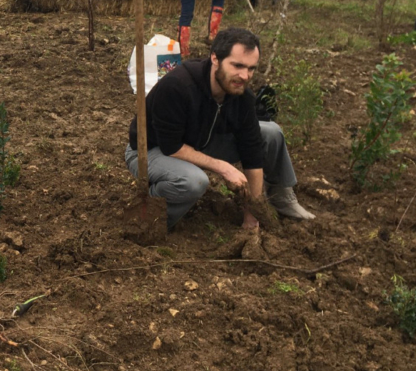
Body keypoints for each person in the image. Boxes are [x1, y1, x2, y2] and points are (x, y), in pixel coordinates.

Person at [124, 27, 315, 231]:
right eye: (237, 65)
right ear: (215, 58)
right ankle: (152, 217)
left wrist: (252, 213)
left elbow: (252, 152)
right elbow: (171, 147)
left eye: (251, 68)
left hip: (200, 142)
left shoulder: (242, 95)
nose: (245, 76)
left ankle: (281, 198)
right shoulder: (178, 87)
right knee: (193, 181)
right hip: (152, 150)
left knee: (270, 133)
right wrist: (224, 167)